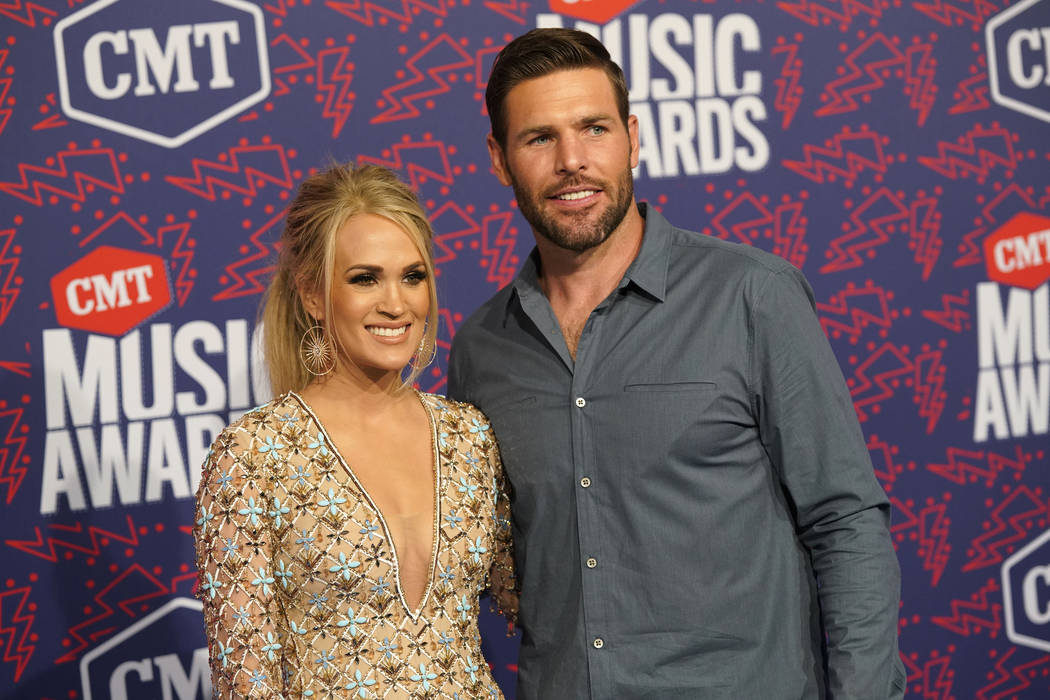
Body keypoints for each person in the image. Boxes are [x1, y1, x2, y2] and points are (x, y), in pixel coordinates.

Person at [447, 28, 905, 699]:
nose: (572, 160)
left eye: (593, 128)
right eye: (539, 138)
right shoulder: (483, 349)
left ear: (632, 136)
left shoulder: (751, 296)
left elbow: (845, 521)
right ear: (499, 157)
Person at [193, 162, 516, 698]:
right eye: (365, 278)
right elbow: (247, 683)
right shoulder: (254, 455)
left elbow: (532, 596)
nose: (396, 303)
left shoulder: (468, 437)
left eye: (413, 276)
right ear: (313, 295)